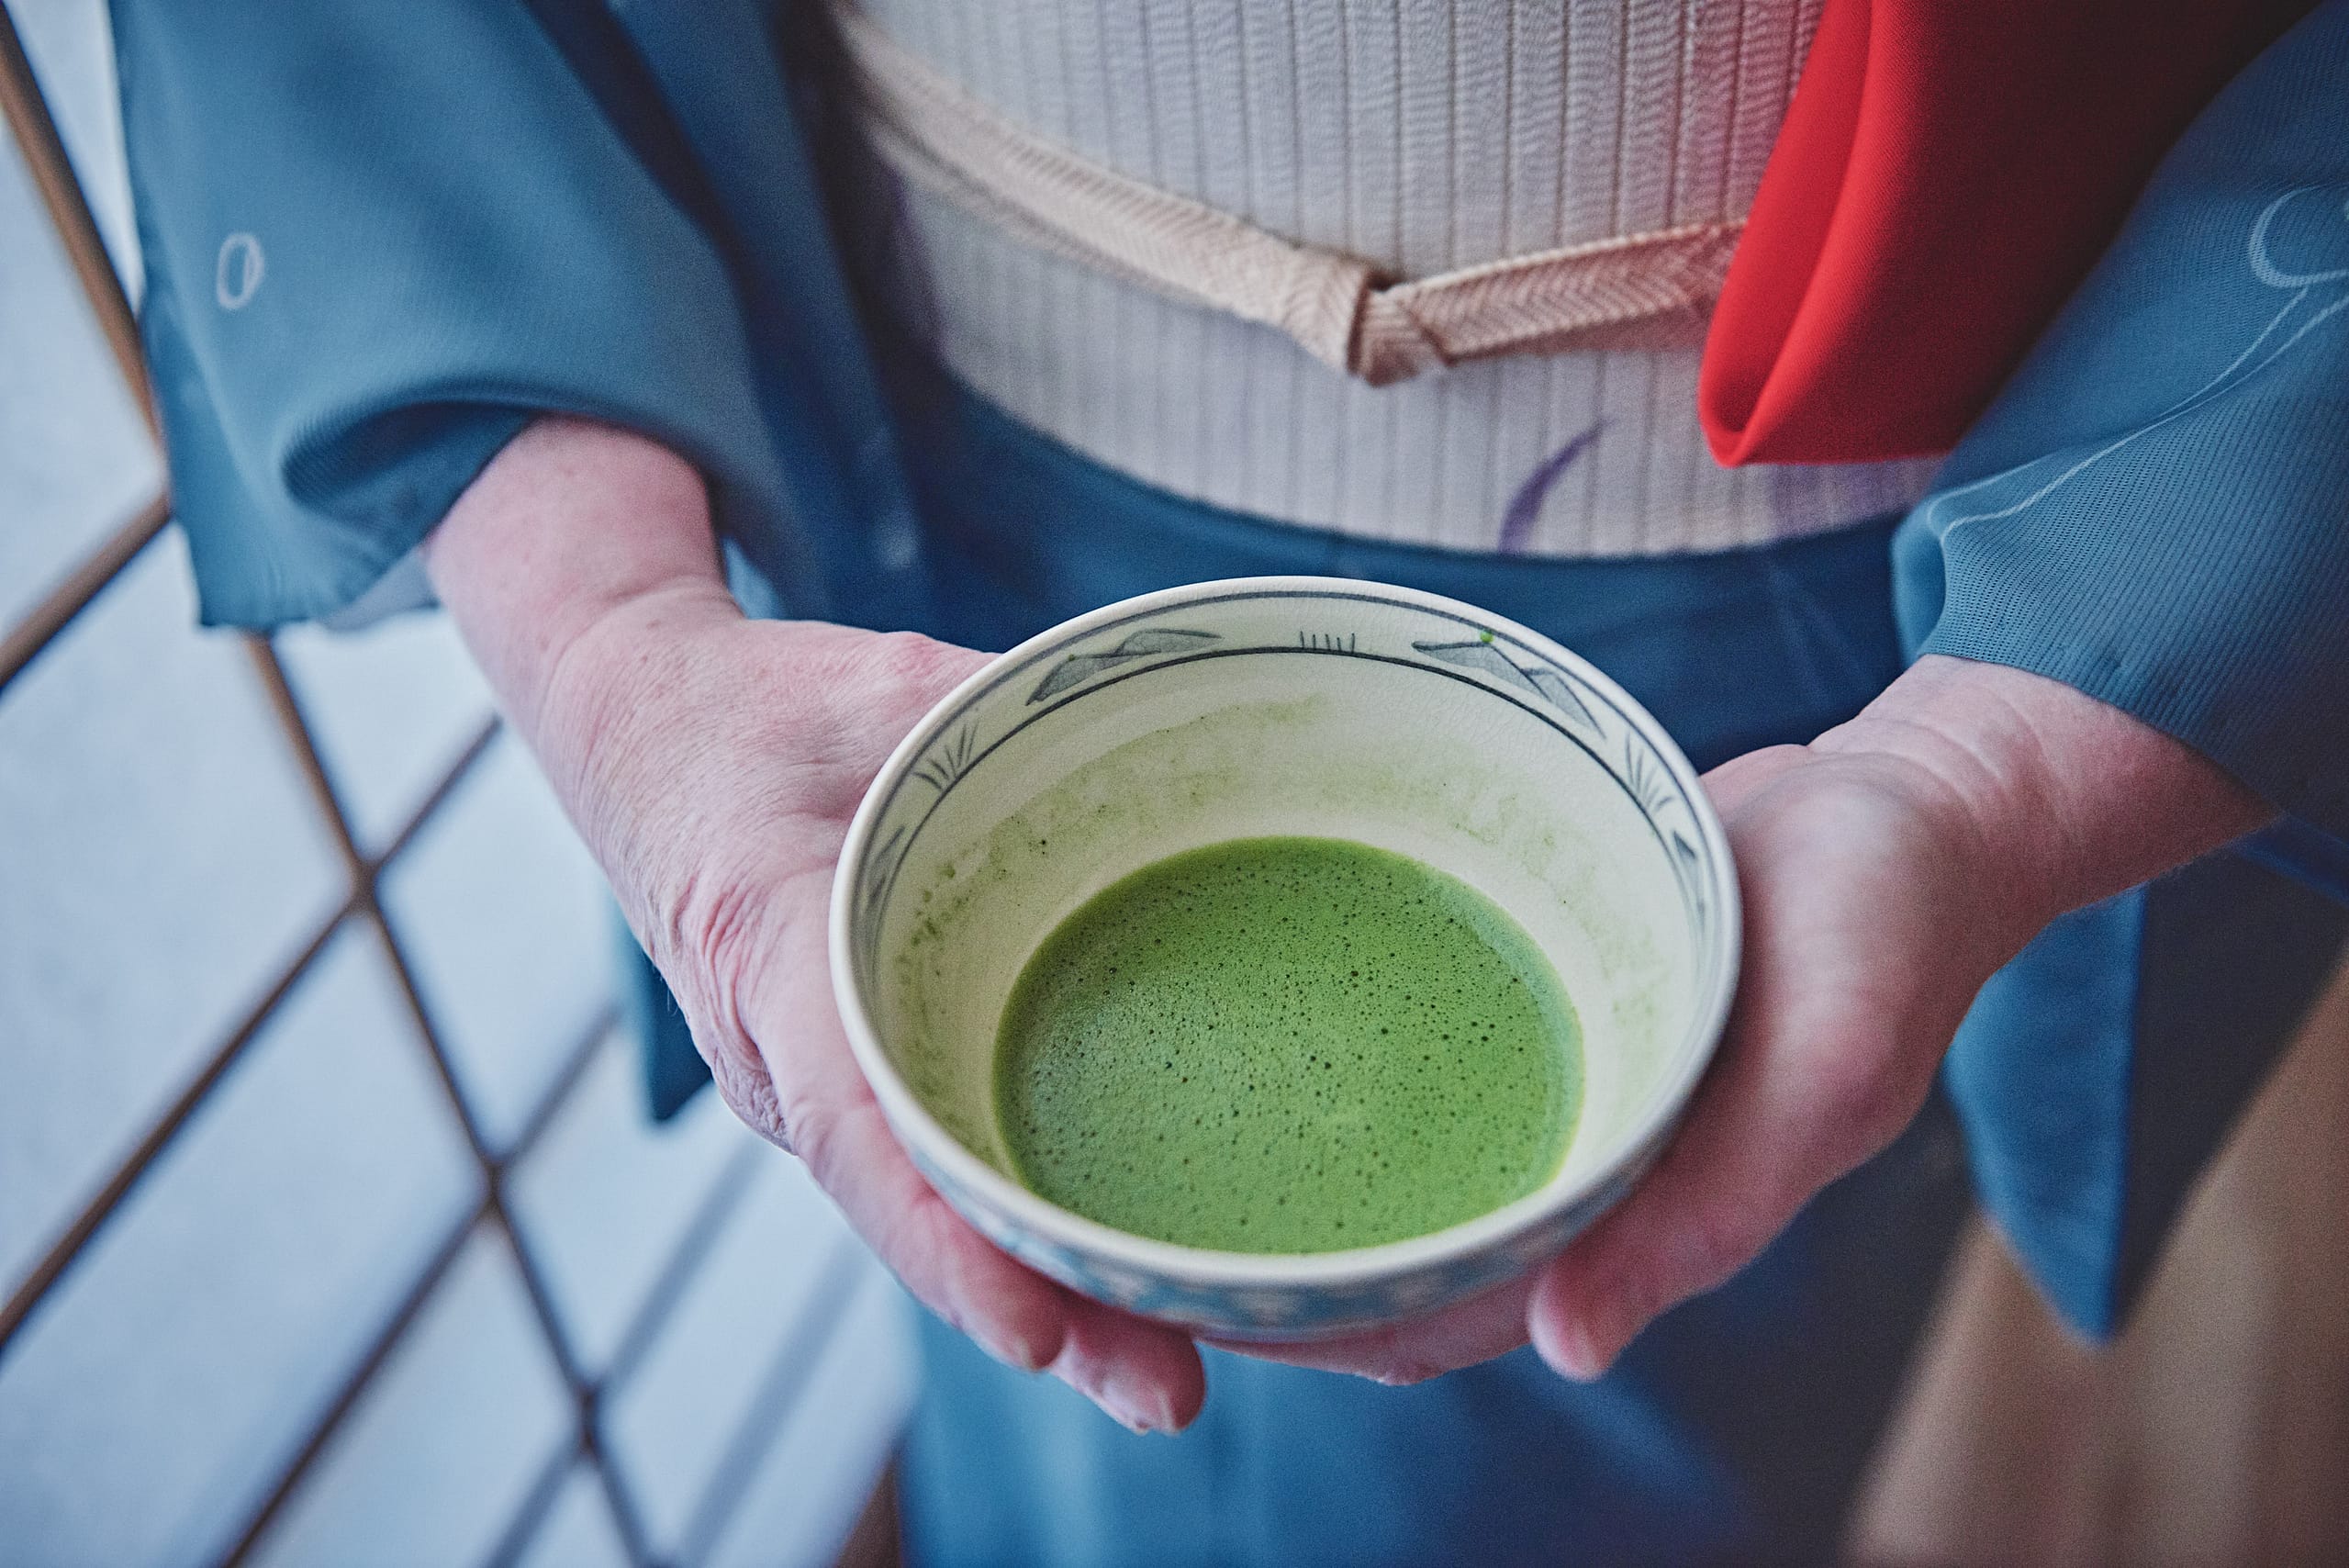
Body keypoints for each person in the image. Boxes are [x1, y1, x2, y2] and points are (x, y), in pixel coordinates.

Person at [115, 0, 2349, 1560]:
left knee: (1662, 1430)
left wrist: (1970, 770)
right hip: (938, 516)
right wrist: (612, 629)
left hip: (1876, 585)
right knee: (1023, 1400)